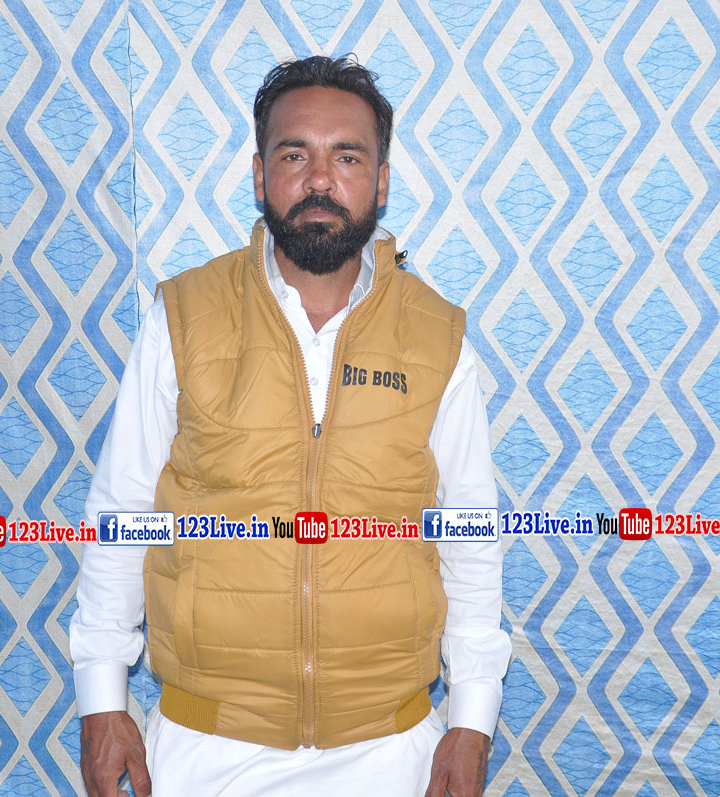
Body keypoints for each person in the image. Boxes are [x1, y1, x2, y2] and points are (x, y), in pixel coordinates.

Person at [70, 55, 509, 797]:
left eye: (348, 157)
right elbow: (121, 512)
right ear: (259, 174)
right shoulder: (183, 317)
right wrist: (102, 698)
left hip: (390, 748)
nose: (319, 180)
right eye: (294, 154)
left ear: (381, 180)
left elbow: (471, 537)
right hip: (205, 749)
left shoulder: (437, 338)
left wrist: (471, 720)